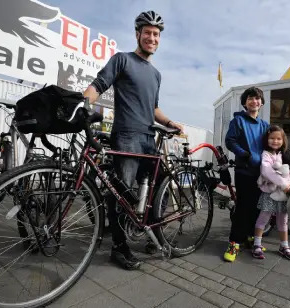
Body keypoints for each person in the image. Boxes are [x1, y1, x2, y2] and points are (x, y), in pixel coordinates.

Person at [82, 11, 183, 270]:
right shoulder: (122, 60)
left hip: (150, 138)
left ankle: (154, 235)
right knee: (121, 194)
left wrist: (170, 122)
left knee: (160, 190)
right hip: (126, 136)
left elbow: (154, 108)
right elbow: (98, 85)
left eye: (156, 34)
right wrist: (81, 106)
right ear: (137, 34)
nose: (152, 38)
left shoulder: (156, 74)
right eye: (147, 33)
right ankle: (119, 247)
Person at [223, 87, 269, 262]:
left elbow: (272, 144)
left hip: (262, 173)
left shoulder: (265, 125)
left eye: (257, 99)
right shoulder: (238, 121)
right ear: (245, 102)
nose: (254, 101)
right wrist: (245, 155)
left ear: (261, 103)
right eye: (250, 98)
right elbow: (230, 141)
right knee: (242, 207)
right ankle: (234, 242)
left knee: (257, 207)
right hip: (244, 171)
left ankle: (251, 237)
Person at [252, 125, 290, 260]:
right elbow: (266, 171)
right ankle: (257, 244)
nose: (275, 141)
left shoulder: (287, 155)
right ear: (267, 139)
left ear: (283, 140)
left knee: (283, 220)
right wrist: (283, 184)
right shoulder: (266, 154)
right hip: (269, 193)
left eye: (278, 138)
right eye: (272, 138)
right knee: (263, 218)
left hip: (284, 195)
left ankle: (284, 246)